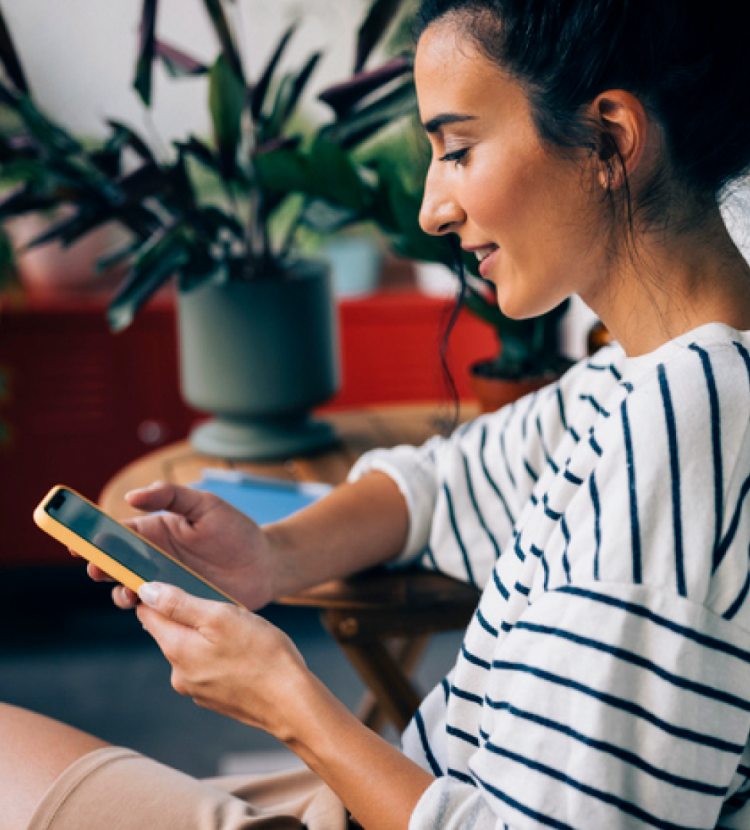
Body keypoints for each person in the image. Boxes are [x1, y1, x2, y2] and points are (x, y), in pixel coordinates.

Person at [5, 0, 750, 827]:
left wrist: (287, 699)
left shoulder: (691, 429)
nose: (433, 208)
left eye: (459, 150)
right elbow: (439, 484)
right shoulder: (637, 379)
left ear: (610, 137)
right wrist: (269, 555)